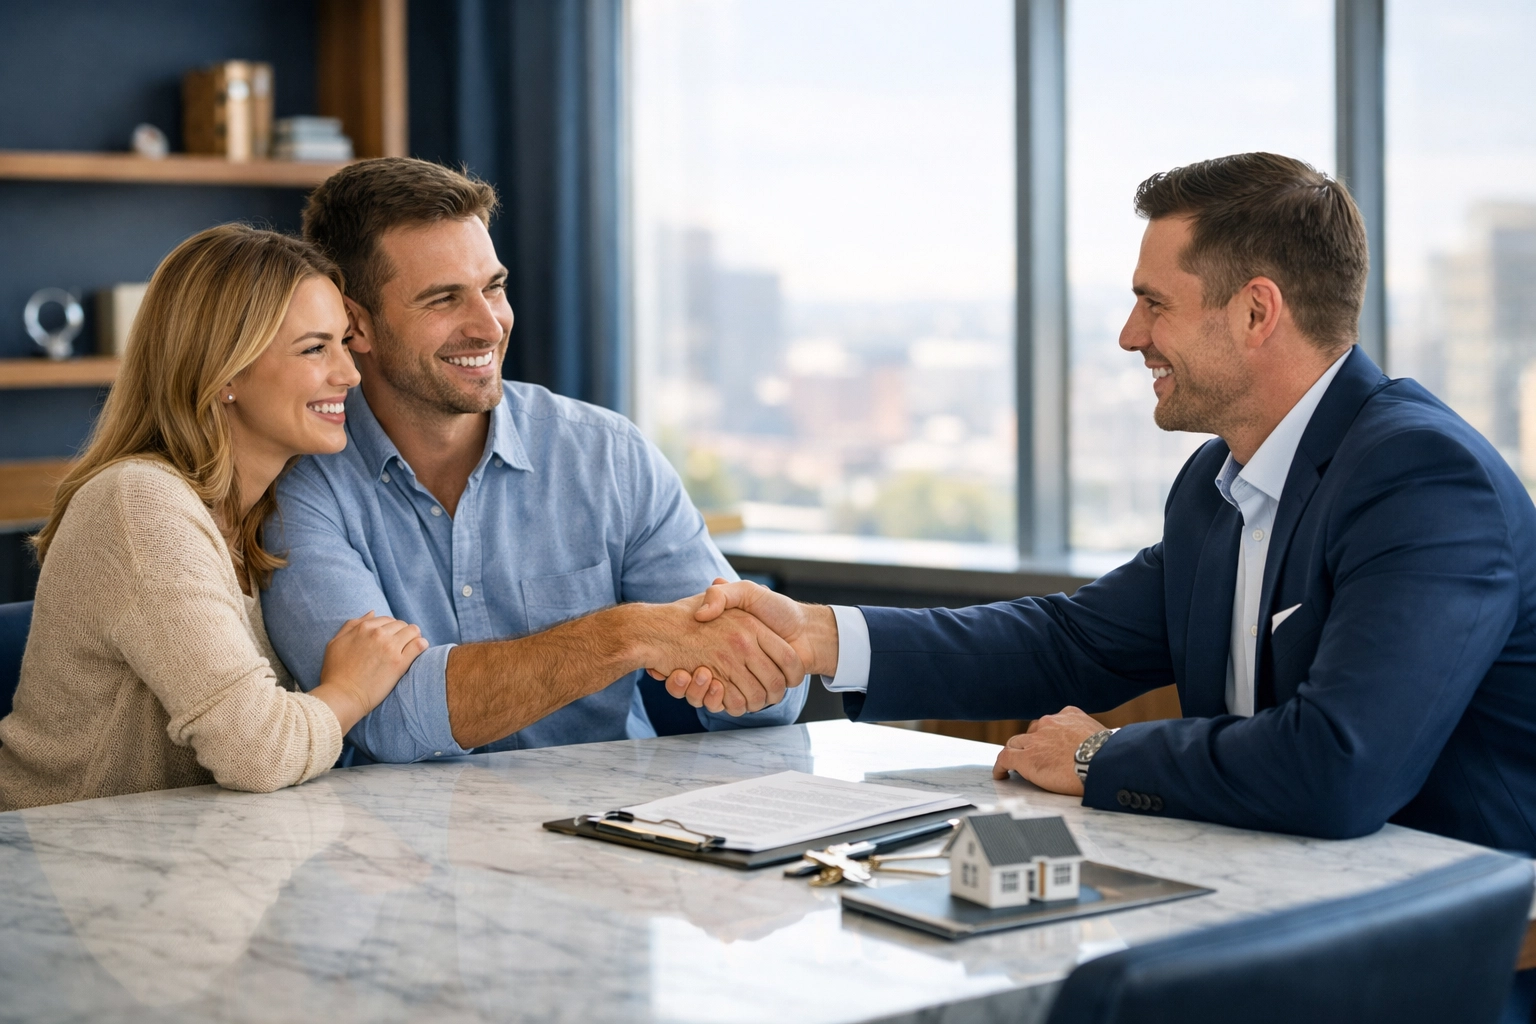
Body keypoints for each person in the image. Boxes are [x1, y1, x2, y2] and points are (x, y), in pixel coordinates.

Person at [679, 152, 1536, 855]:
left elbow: (1339, 769)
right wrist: (818, 636)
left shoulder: (1422, 479)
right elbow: (1071, 641)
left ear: (1256, 312)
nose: (1130, 335)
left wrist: (1097, 755)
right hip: (1278, 897)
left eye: (1154, 303)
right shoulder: (1216, 485)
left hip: (1460, 950)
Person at [260, 158, 807, 765]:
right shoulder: (298, 488)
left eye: (493, 287)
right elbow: (387, 719)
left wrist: (747, 671)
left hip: (617, 835)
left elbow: (771, 693)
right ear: (355, 325)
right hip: (401, 851)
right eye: (443, 299)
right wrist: (626, 635)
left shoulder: (608, 457)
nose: (489, 325)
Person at [0, 225, 429, 811]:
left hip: (179, 856)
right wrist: (350, 689)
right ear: (225, 371)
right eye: (314, 348)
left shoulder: (262, 511)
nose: (349, 375)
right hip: (53, 863)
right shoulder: (139, 504)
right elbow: (258, 751)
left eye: (343, 345)